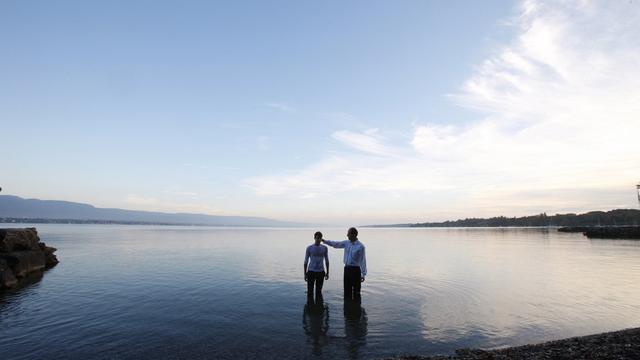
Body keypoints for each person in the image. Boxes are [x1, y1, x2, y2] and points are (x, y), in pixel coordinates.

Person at [322, 227, 367, 303]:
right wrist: (324, 241)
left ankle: (357, 310)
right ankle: (347, 310)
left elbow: (363, 261)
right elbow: (335, 244)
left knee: (356, 291)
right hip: (347, 269)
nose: (347, 235)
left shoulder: (361, 246)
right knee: (346, 290)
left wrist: (363, 274)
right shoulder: (346, 243)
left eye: (348, 233)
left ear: (354, 234)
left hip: (356, 270)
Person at [304, 231, 329, 305]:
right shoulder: (309, 248)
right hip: (311, 271)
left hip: (321, 272)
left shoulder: (324, 248)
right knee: (310, 291)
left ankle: (319, 307)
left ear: (321, 239)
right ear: (314, 238)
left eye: (320, 238)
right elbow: (305, 261)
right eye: (317, 238)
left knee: (319, 291)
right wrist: (305, 274)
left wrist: (328, 272)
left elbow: (327, 260)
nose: (318, 240)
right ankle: (310, 307)